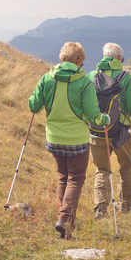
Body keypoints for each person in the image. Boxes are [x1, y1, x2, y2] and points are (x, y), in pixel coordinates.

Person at [28, 42, 109, 239]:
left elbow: (33, 106)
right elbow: (94, 116)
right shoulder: (84, 83)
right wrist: (105, 119)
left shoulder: (46, 79)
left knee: (64, 177)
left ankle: (68, 223)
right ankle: (64, 219)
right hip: (77, 141)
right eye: (83, 62)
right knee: (76, 178)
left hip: (54, 139)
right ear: (78, 61)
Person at [87, 42, 131, 219]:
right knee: (127, 168)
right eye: (121, 58)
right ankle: (125, 206)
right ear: (118, 58)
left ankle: (100, 208)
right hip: (121, 132)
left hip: (97, 131)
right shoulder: (127, 79)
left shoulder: (91, 76)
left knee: (101, 169)